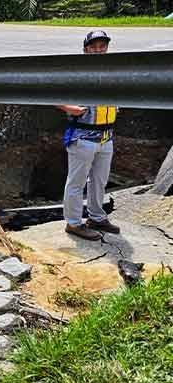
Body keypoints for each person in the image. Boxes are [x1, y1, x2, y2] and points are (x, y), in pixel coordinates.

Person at [58, 30, 120, 241]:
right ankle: (74, 224)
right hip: (82, 138)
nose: (98, 50)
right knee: (76, 183)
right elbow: (52, 95)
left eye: (102, 46)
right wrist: (70, 108)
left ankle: (96, 217)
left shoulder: (112, 71)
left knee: (99, 181)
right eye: (94, 46)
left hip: (106, 137)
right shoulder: (77, 72)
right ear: (85, 49)